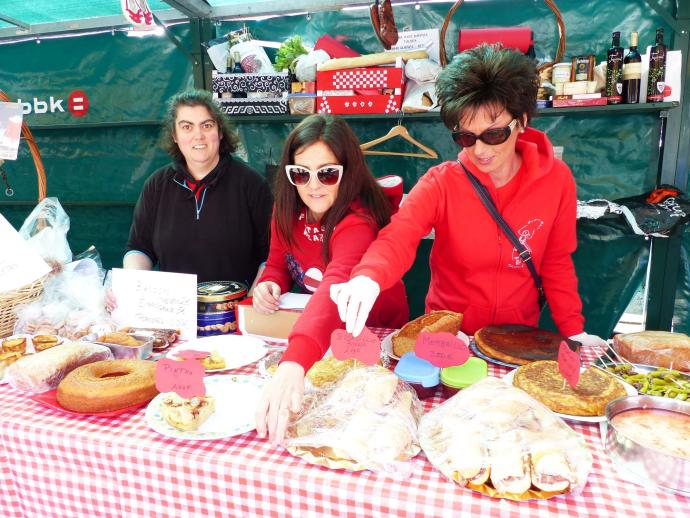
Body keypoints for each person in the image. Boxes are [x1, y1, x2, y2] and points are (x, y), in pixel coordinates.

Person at [330, 44, 607, 350]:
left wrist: (573, 329)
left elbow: (556, 263)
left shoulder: (557, 180)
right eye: (466, 137)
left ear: (523, 121)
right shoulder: (441, 182)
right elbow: (398, 237)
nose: (480, 150)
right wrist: (367, 278)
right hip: (447, 337)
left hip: (514, 338)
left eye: (494, 134)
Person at [254, 114, 409, 444]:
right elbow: (277, 263)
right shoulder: (285, 210)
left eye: (327, 173)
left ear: (347, 171)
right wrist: (270, 283)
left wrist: (294, 362)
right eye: (301, 173)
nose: (313, 185)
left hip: (373, 339)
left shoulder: (358, 221)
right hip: (323, 337)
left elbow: (335, 282)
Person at [124, 89, 273, 285]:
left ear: (220, 132)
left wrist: (251, 305)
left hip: (234, 310)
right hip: (174, 309)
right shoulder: (157, 185)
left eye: (207, 125)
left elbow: (272, 257)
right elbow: (139, 248)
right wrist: (133, 285)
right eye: (187, 127)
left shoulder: (251, 184)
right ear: (174, 135)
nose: (198, 135)